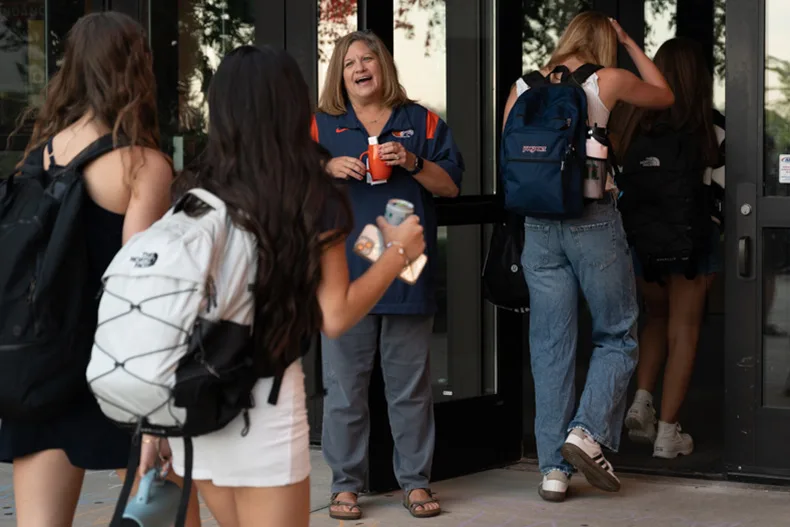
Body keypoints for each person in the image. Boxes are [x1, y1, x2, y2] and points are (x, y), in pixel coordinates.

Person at [140, 44, 427, 527]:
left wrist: (153, 421)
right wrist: (399, 252)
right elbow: (335, 316)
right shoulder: (308, 193)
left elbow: (171, 307)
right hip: (266, 403)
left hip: (194, 399)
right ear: (290, 105)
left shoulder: (189, 188)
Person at [0, 11, 201, 527]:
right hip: (112, 370)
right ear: (134, 69)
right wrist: (155, 414)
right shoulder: (141, 165)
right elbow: (140, 293)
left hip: (41, 365)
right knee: (169, 515)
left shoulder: (36, 158)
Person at [501, 11, 674, 502]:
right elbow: (664, 95)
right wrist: (630, 43)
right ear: (604, 43)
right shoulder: (607, 80)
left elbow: (511, 159)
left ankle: (553, 472)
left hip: (538, 226)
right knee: (618, 334)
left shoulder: (522, 86)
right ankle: (586, 431)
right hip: (592, 218)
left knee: (550, 348)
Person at [313, 30, 464, 520]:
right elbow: (286, 182)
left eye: (368, 59)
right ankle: (345, 486)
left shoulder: (421, 121)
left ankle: (415, 483)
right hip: (343, 279)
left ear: (383, 66)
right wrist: (325, 170)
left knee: (410, 390)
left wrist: (414, 162)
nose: (360, 68)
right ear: (340, 75)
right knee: (344, 390)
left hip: (406, 276)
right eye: (349, 62)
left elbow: (451, 186)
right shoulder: (319, 125)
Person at [614, 37, 725, 458]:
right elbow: (724, 192)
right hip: (694, 244)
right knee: (685, 330)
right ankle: (667, 433)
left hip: (643, 243)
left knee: (656, 318)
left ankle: (641, 402)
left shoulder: (631, 123)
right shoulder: (711, 126)